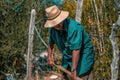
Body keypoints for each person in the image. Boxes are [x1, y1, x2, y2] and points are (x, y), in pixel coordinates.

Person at [44, 5, 94, 80]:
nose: (57, 25)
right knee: (67, 76)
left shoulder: (74, 28)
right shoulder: (53, 30)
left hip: (82, 57)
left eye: (58, 22)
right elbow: (51, 43)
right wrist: (49, 56)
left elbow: (76, 50)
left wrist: (73, 69)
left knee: (81, 75)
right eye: (54, 24)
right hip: (68, 58)